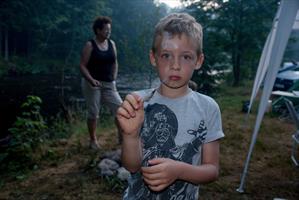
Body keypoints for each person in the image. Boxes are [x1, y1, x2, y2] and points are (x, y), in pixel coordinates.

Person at [116, 13, 224, 199]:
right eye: (166, 55)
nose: (175, 65)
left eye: (186, 57)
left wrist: (179, 170)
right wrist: (130, 136)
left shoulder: (208, 108)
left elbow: (212, 170)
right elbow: (132, 166)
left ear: (198, 61)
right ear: (153, 57)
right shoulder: (138, 103)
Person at [80, 16, 123, 149]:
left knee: (120, 110)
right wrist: (91, 80)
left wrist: (114, 77)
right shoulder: (90, 45)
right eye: (106, 30)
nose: (108, 32)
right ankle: (93, 141)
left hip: (109, 84)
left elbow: (115, 61)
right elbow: (82, 65)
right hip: (92, 84)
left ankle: (122, 136)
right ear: (98, 30)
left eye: (109, 30)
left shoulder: (112, 44)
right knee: (94, 112)